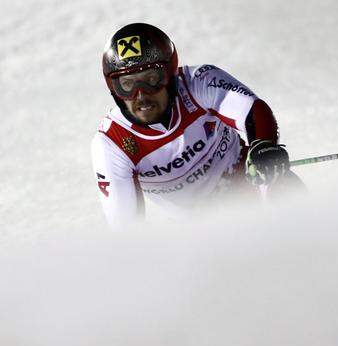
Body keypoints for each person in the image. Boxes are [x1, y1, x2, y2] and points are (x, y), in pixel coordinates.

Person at [92, 23, 300, 227]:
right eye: (127, 84)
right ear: (114, 88)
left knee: (284, 189)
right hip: (200, 229)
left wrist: (263, 145)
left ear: (170, 73)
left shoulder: (198, 82)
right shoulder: (112, 144)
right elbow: (127, 227)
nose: (141, 95)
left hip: (249, 182)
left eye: (151, 79)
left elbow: (251, 110)